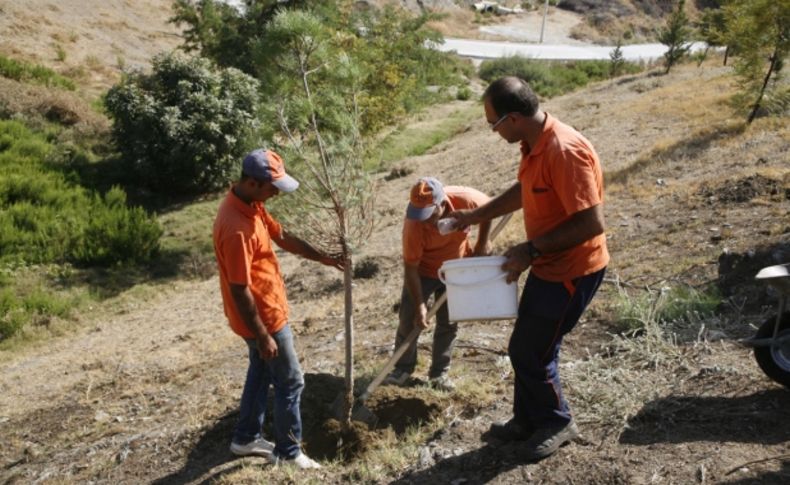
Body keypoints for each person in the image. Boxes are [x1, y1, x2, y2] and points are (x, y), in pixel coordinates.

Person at [451, 77, 609, 460]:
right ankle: (527, 419)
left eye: (494, 123)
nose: (493, 131)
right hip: (547, 264)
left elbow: (590, 223)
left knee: (533, 351)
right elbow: (525, 190)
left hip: (572, 269)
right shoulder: (533, 145)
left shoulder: (564, 151)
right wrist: (476, 214)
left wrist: (530, 249)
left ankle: (557, 422)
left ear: (515, 117)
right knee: (524, 346)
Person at [213, 148, 342, 470]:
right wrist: (262, 334)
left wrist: (323, 256)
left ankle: (245, 438)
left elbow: (281, 235)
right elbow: (239, 288)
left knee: (259, 372)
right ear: (254, 182)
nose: (276, 194)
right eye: (273, 187)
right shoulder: (236, 228)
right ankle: (288, 452)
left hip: (265, 312)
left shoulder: (252, 205)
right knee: (290, 382)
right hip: (263, 318)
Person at [383, 177, 491, 391]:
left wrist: (482, 241)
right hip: (423, 271)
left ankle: (439, 375)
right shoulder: (413, 225)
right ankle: (402, 369)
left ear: (443, 203)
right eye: (419, 214)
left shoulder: (466, 199)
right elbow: (411, 268)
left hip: (456, 267)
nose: (426, 221)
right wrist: (421, 306)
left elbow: (489, 210)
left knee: (449, 322)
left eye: (430, 214)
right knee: (409, 318)